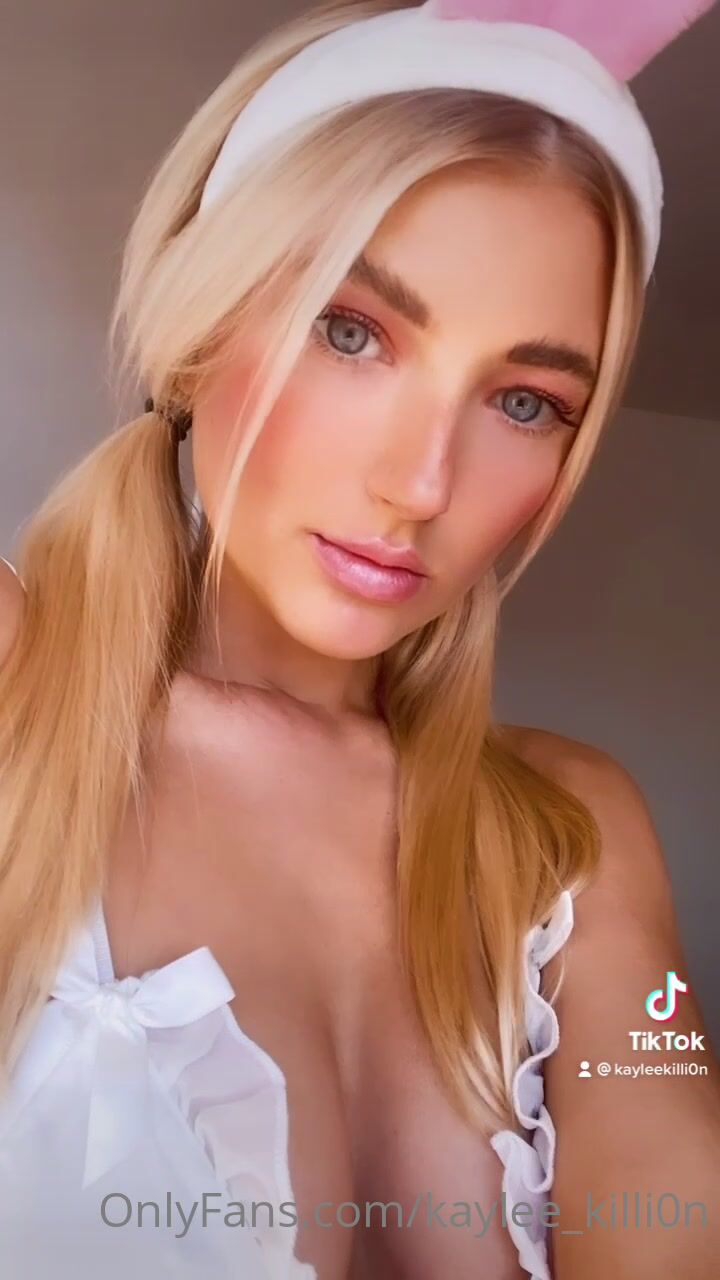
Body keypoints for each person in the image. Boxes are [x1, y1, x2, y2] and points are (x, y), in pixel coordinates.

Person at [0, 1, 718, 1277]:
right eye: (352, 331)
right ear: (200, 323)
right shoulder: (15, 687)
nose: (422, 483)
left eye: (525, 401)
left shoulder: (577, 834)